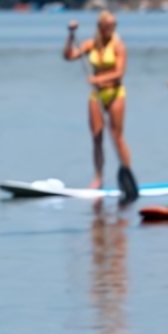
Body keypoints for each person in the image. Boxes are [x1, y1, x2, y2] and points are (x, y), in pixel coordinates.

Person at [64, 12, 135, 198]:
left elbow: (119, 73)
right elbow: (69, 56)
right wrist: (71, 36)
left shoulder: (118, 45)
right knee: (97, 137)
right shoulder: (91, 44)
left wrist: (98, 78)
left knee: (116, 136)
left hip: (115, 92)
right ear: (101, 26)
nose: (112, 28)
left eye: (114, 25)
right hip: (97, 94)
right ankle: (98, 177)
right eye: (109, 25)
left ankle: (127, 174)